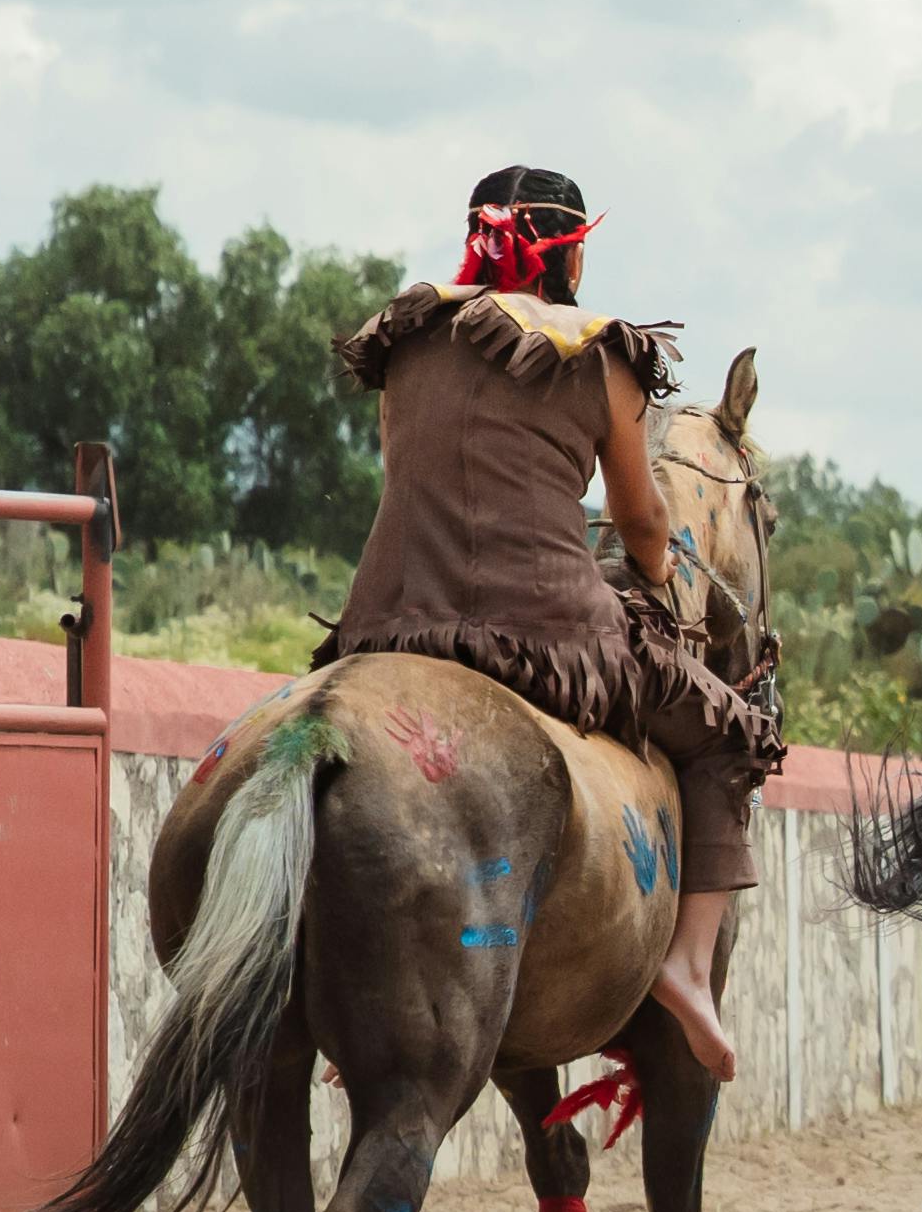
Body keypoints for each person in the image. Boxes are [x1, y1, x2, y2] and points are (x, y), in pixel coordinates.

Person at [324, 165, 779, 1073]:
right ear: (568, 253)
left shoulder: (408, 337)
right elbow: (644, 520)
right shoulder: (598, 352)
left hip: (388, 622)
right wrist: (653, 577)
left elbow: (405, 470)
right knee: (733, 735)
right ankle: (688, 968)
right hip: (547, 632)